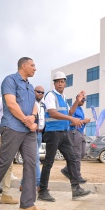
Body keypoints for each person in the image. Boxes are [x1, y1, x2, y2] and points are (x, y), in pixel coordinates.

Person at [0, 57, 47, 210]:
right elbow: (11, 104)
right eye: (33, 65)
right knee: (4, 163)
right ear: (23, 65)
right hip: (12, 127)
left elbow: (34, 105)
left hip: (28, 131)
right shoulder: (10, 80)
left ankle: (27, 205)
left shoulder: (30, 86)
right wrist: (27, 121)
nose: (35, 68)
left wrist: (33, 117)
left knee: (31, 164)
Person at [38, 71, 91, 202]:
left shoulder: (63, 97)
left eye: (62, 81)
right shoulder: (51, 95)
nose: (60, 83)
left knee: (72, 158)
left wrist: (77, 101)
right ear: (54, 83)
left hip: (63, 132)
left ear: (65, 83)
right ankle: (43, 191)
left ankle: (76, 189)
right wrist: (71, 119)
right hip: (52, 133)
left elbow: (70, 112)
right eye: (58, 81)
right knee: (48, 163)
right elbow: (52, 113)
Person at [20, 85, 45, 191]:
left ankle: (22, 183)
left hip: (40, 134)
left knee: (31, 160)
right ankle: (39, 184)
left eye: (42, 92)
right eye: (38, 91)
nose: (40, 94)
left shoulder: (43, 105)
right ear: (34, 92)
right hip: (31, 133)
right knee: (35, 159)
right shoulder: (30, 103)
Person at [60, 94, 91, 183]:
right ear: (78, 99)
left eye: (84, 101)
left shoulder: (80, 109)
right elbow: (69, 122)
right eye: (82, 100)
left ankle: (67, 169)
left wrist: (84, 121)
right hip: (74, 132)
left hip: (80, 133)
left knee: (82, 153)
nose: (83, 102)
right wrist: (84, 121)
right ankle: (77, 175)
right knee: (77, 154)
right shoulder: (73, 109)